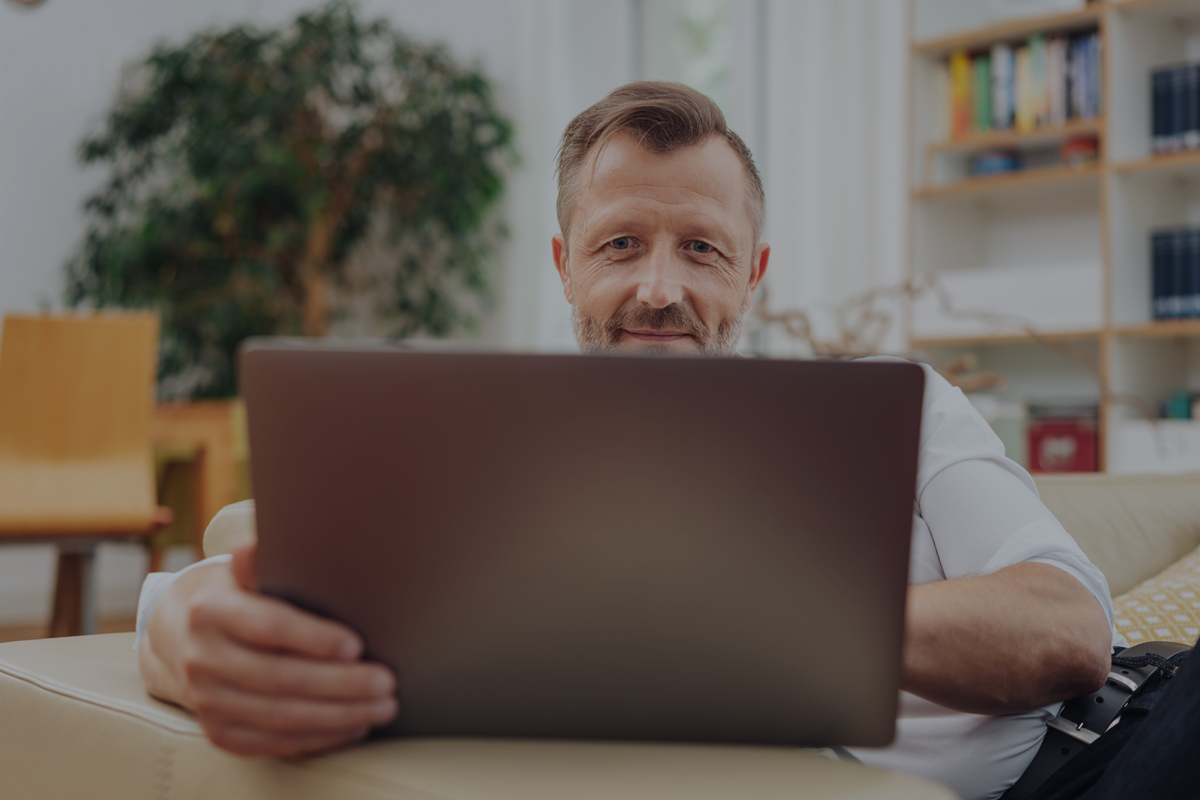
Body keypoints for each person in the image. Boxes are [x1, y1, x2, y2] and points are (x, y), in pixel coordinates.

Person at [134, 82, 1193, 800]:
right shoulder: (479, 457)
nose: (659, 288)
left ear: (752, 274)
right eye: (621, 244)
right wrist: (186, 634)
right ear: (562, 264)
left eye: (701, 248)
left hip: (1123, 740)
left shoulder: (899, 402)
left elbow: (1067, 628)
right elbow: (244, 570)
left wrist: (738, 607)